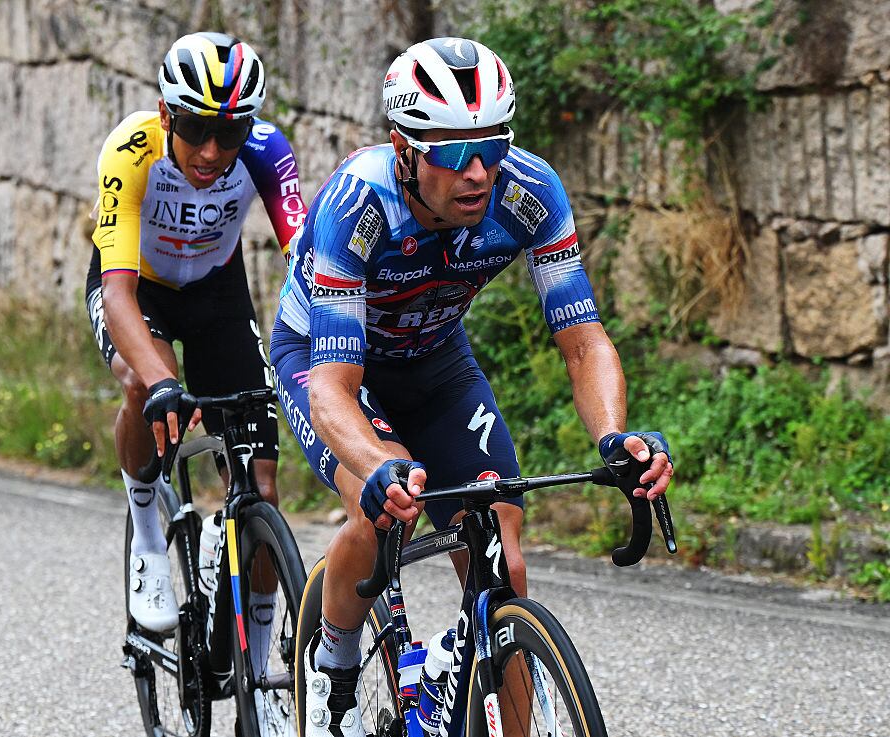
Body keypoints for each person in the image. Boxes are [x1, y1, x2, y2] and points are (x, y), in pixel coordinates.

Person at [270, 37, 673, 737]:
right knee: (379, 512)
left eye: (491, 145)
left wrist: (614, 435)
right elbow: (334, 388)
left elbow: (583, 339)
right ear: (404, 149)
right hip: (326, 357)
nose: (478, 171)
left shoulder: (530, 192)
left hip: (433, 359)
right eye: (453, 152)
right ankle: (329, 663)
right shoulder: (357, 205)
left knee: (504, 560)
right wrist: (376, 463)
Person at [86, 32, 305, 651]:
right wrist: (161, 382)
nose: (212, 151)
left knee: (262, 488)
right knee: (139, 383)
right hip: (138, 287)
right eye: (196, 129)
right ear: (166, 116)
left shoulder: (267, 152)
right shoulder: (132, 151)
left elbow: (311, 263)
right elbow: (120, 292)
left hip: (216, 293)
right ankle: (148, 537)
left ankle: (261, 671)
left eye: (230, 133)